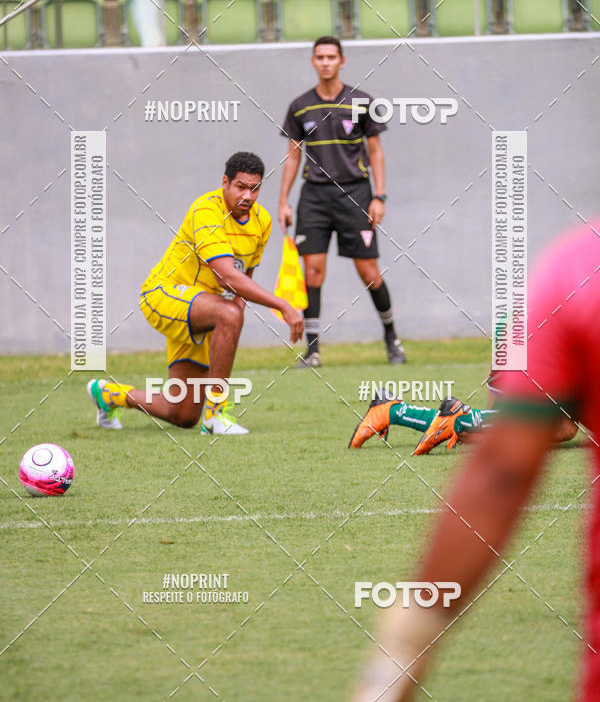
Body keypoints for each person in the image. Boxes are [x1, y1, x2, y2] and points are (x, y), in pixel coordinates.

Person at [353, 219, 599, 701]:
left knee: (558, 428)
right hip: (532, 329)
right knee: (539, 430)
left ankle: (402, 411)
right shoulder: (577, 270)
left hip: (530, 321)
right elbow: (499, 475)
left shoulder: (574, 259)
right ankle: (419, 413)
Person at [87, 152, 303, 435]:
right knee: (229, 313)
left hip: (204, 309)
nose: (247, 196)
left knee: (183, 414)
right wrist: (282, 305)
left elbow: (243, 279)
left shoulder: (262, 221)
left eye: (255, 188)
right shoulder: (207, 210)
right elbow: (227, 277)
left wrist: (229, 322)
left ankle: (109, 394)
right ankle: (216, 414)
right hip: (163, 294)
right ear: (225, 182)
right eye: (240, 187)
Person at [278, 36, 406, 368]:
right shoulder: (299, 106)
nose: (325, 62)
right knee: (312, 272)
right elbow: (293, 157)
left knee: (369, 271)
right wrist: (283, 201)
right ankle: (313, 350)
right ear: (313, 61)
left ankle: (392, 339)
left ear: (342, 61)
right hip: (314, 196)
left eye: (331, 57)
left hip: (356, 195)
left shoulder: (362, 101)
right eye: (319, 57)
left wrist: (379, 196)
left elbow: (376, 152)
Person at [348, 393, 579, 452]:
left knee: (489, 435)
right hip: (537, 333)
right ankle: (463, 419)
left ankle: (392, 411)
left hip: (517, 325)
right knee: (564, 425)